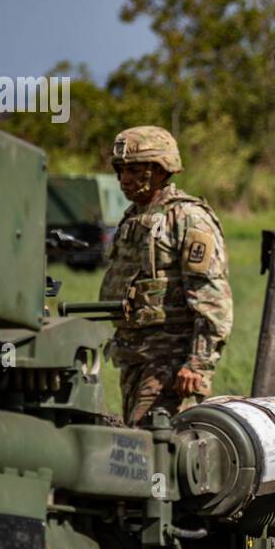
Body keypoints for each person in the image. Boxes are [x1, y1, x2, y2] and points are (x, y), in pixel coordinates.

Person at [99, 126, 232, 427]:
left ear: (160, 170)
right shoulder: (133, 217)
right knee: (139, 447)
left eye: (134, 170)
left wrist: (197, 364)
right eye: (120, 170)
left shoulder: (187, 217)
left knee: (156, 451)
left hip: (172, 367)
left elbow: (213, 298)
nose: (124, 179)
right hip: (135, 359)